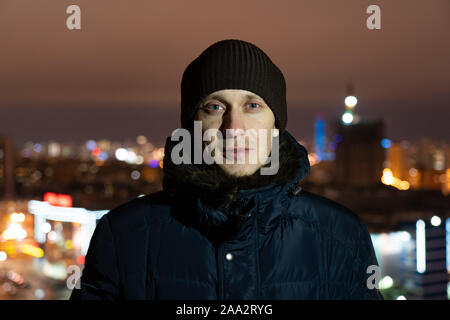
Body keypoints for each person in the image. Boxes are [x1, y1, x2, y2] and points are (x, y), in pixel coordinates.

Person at [69, 39, 383, 300]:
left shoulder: (340, 236)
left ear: (276, 125)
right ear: (192, 126)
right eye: (215, 107)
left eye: (253, 106)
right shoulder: (124, 236)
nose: (233, 127)